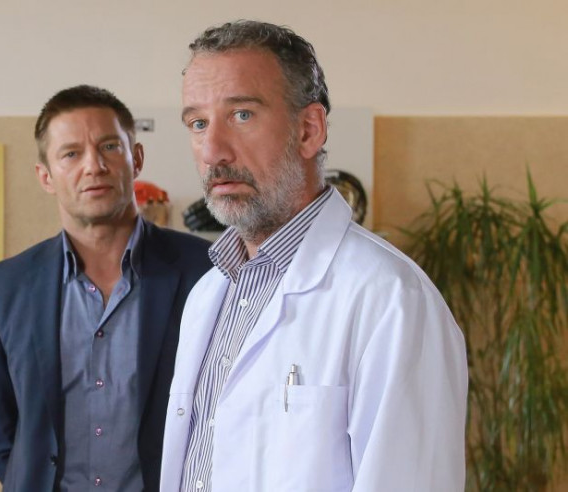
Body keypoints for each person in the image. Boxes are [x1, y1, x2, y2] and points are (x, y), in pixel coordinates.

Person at [161, 20, 469, 492]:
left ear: (308, 130)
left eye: (241, 114)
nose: (213, 151)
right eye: (198, 123)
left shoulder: (391, 299)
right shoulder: (208, 294)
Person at [0, 85, 212, 491]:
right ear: (45, 176)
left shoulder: (205, 271)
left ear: (136, 158)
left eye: (109, 147)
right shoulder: (6, 286)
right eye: (71, 154)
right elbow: (0, 432)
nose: (94, 166)